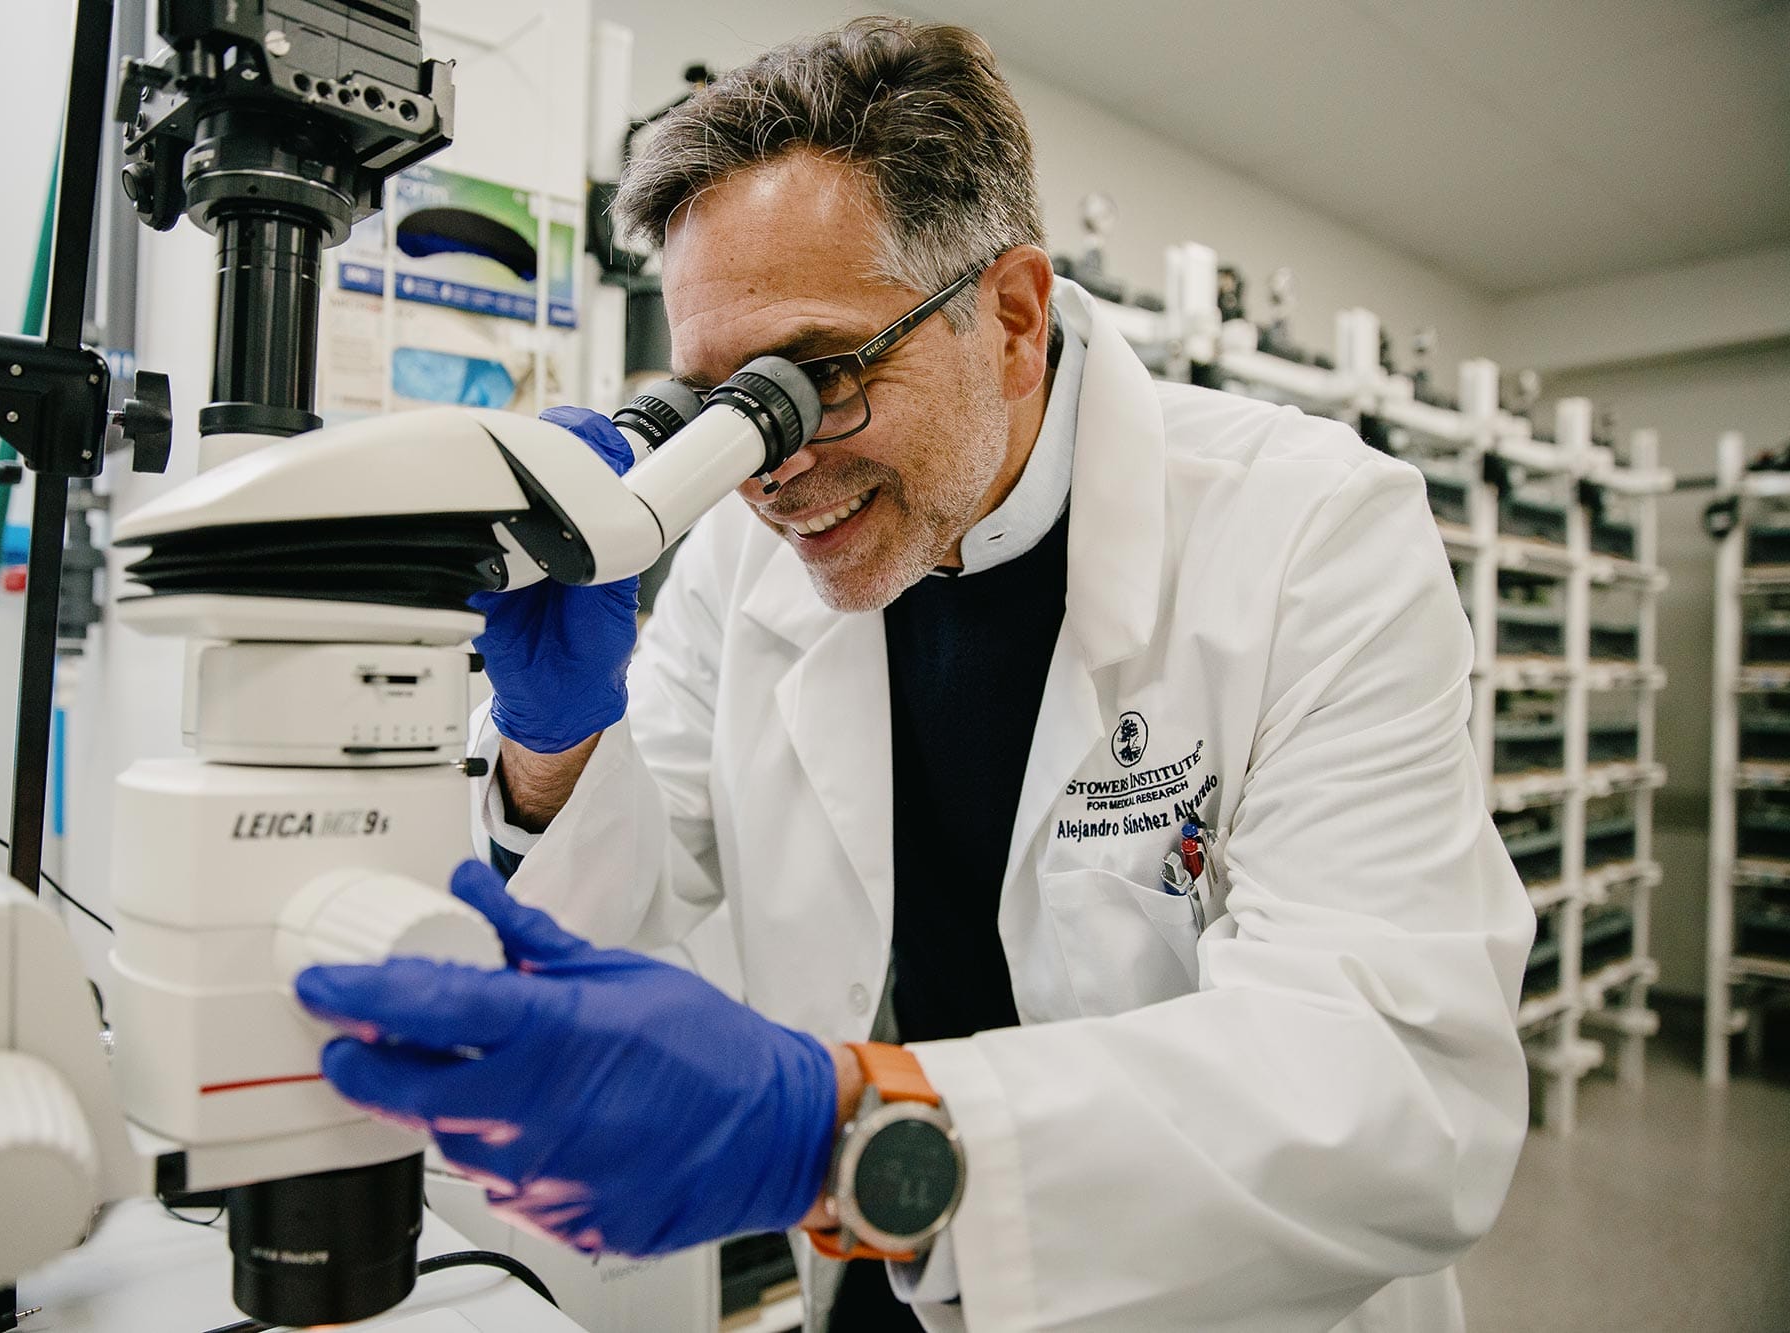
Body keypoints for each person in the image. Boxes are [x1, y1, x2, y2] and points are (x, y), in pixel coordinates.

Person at [294, 18, 1535, 1331]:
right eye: (716, 404)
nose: (766, 470)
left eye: (812, 378)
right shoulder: (740, 551)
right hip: (888, 1253)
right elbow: (630, 916)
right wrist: (556, 747)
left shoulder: (1309, 532)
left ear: (1010, 315)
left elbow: (1396, 1088)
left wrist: (825, 1130)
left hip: (1197, 1285)